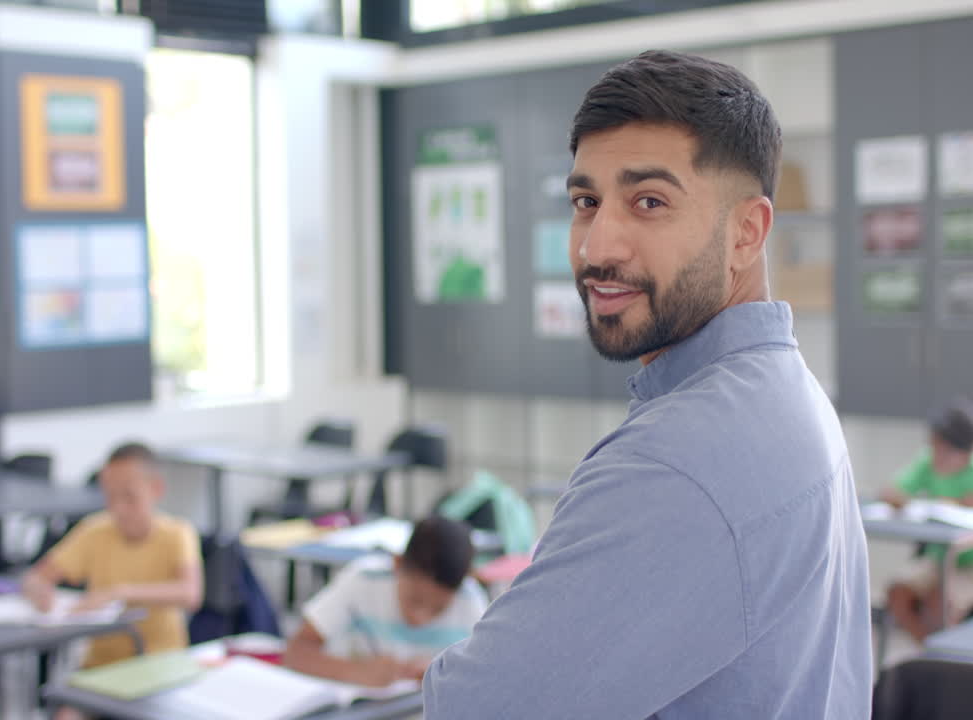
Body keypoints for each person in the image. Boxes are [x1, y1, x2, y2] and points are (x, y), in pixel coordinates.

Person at [423, 50, 872, 718]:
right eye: (586, 201)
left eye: (649, 202)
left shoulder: (674, 462)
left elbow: (473, 710)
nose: (598, 246)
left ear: (747, 233)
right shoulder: (786, 391)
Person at [22, 442, 202, 719]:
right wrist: (39, 590)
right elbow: (37, 576)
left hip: (161, 666)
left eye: (129, 498)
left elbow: (190, 593)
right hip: (101, 668)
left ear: (155, 490)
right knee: (66, 714)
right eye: (110, 497)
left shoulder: (177, 534)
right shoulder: (95, 530)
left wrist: (119, 592)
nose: (119, 509)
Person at [880, 398, 973, 643]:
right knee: (898, 592)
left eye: (944, 448)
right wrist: (900, 499)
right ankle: (931, 652)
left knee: (941, 601)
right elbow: (892, 491)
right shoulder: (927, 463)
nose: (936, 453)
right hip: (937, 560)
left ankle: (942, 657)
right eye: (934, 445)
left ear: (964, 452)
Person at [284, 515, 487, 687]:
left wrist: (444, 676)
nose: (420, 618)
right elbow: (296, 653)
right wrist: (357, 672)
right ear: (397, 564)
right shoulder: (363, 579)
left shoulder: (470, 602)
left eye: (439, 609)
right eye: (415, 601)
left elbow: (486, 680)